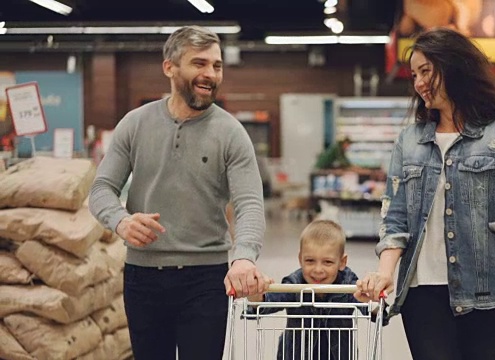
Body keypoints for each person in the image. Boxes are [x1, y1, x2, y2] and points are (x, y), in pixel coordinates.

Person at [88, 25, 270, 360]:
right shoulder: (134, 124)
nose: (210, 74)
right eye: (199, 64)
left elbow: (249, 204)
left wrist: (244, 255)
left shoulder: (231, 133)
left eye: (216, 66)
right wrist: (121, 222)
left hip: (206, 279)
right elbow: (101, 189)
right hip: (143, 278)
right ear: (170, 67)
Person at [356, 28, 495, 360]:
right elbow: (394, 218)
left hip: (486, 289)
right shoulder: (409, 141)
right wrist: (385, 272)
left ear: (453, 66)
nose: (419, 82)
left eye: (426, 71)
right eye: (414, 74)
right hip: (423, 290)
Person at [247, 220, 380, 360]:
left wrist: (372, 299)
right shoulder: (294, 283)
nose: (318, 270)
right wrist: (256, 294)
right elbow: (267, 302)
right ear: (300, 259)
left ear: (342, 262)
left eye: (327, 262)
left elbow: (372, 310)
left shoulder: (348, 284)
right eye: (310, 261)